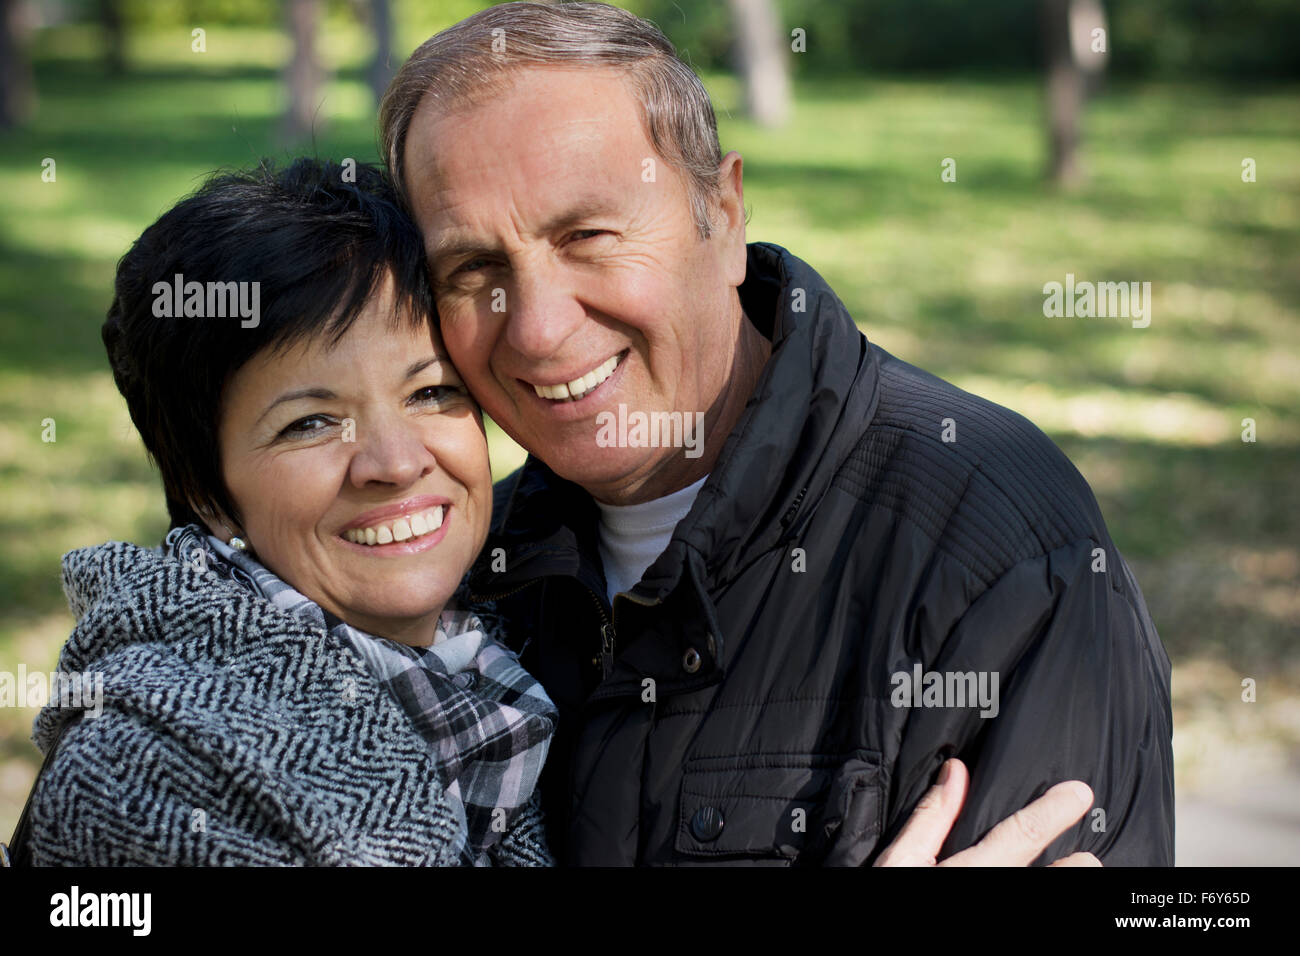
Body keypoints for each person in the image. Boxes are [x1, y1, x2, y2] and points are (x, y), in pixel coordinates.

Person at [378, 1, 1175, 866]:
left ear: (722, 217)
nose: (535, 329)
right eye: (475, 270)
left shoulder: (999, 554)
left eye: (588, 236)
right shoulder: (448, 582)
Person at [19, 158, 556, 866]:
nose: (394, 463)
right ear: (207, 495)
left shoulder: (499, 643)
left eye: (429, 392)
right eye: (309, 423)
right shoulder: (154, 776)